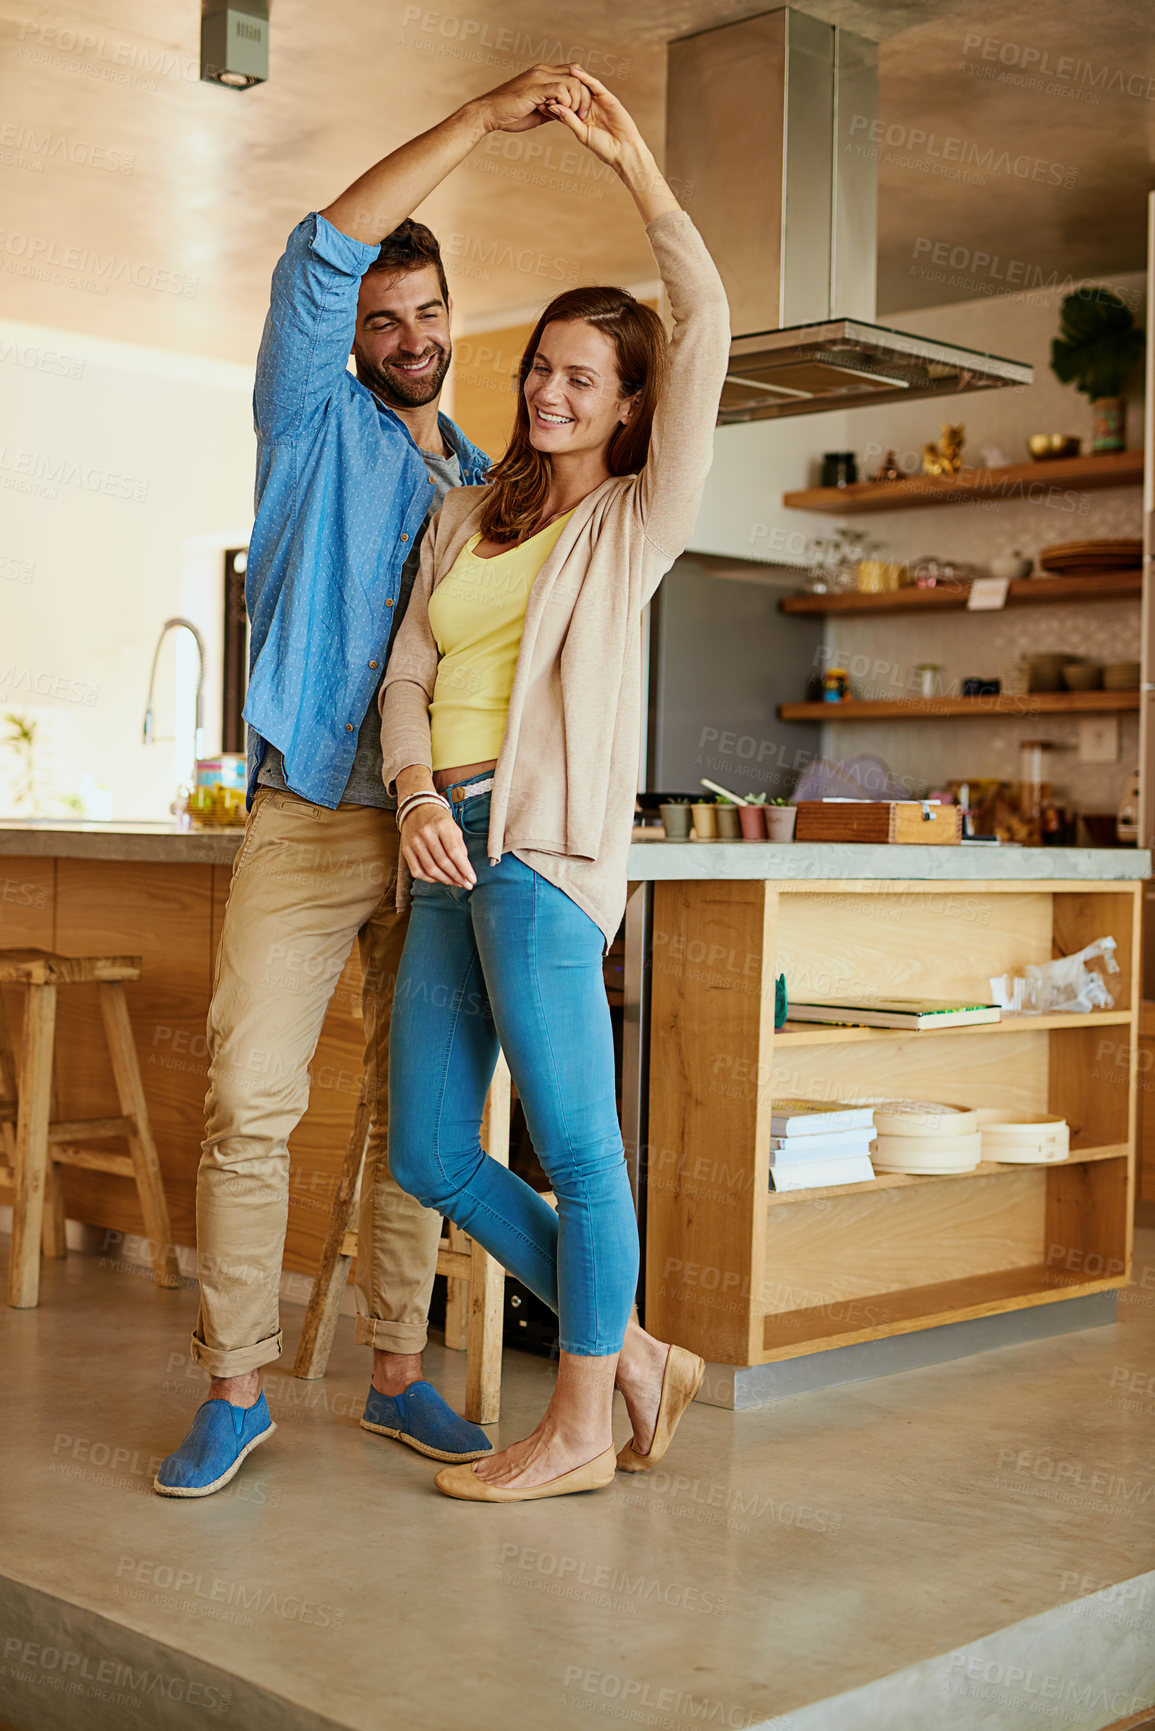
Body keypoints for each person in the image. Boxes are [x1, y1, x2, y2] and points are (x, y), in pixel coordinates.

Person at [154, 64, 596, 1498]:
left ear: (455, 320)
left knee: (429, 1122)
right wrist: (479, 119)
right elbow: (318, 247)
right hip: (304, 814)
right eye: (381, 320)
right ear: (346, 337)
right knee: (251, 1099)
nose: (408, 337)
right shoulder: (309, 423)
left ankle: (398, 1374)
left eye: (427, 314)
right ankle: (236, 1389)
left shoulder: (484, 487)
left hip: (447, 831)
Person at [381, 68, 731, 1503]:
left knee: (580, 1152)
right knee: (429, 1150)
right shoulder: (467, 514)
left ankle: (582, 1426)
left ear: (631, 408)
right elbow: (406, 674)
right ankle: (636, 1359)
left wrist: (639, 168)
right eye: (541, 367)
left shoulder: (635, 527)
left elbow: (704, 324)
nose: (549, 389)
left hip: (538, 859)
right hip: (439, 840)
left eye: (584, 376)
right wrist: (409, 791)